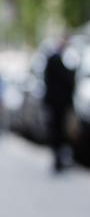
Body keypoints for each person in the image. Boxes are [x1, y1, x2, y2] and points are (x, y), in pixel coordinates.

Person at [43, 37, 76, 173]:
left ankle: (60, 159)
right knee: (58, 132)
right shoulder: (57, 60)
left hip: (58, 103)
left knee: (59, 132)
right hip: (58, 103)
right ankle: (59, 159)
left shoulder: (63, 59)